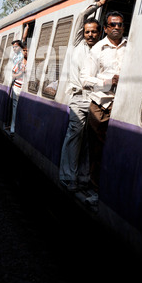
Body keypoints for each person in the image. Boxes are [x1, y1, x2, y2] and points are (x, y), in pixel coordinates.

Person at [81, 11, 127, 205]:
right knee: (98, 149)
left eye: (119, 25)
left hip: (123, 103)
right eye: (112, 25)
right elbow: (85, 80)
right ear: (106, 28)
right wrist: (108, 82)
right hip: (101, 104)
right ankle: (95, 189)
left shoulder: (130, 46)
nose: (116, 28)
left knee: (118, 149)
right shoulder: (97, 49)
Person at [59, 17, 101, 192]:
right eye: (87, 32)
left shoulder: (101, 49)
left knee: (88, 139)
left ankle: (83, 177)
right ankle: (69, 177)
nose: (90, 35)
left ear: (100, 33)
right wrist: (97, 4)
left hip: (94, 98)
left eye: (93, 31)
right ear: (83, 33)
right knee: (74, 135)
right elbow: (79, 19)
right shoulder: (77, 46)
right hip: (78, 97)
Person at [10, 41, 27, 134]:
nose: (26, 52)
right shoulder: (20, 62)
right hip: (17, 87)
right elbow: (13, 75)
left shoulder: (30, 63)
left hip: (24, 89)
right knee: (15, 108)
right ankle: (13, 128)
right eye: (24, 50)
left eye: (27, 50)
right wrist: (21, 73)